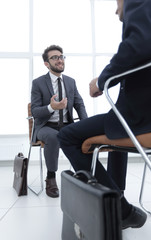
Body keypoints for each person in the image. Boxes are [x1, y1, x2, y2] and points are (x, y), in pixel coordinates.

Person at [58, 0, 151, 229]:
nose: (116, 10)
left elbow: (140, 44)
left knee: (67, 136)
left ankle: (119, 208)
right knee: (113, 120)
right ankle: (118, 193)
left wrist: (102, 80)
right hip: (145, 111)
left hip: (144, 116)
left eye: (116, 2)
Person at [31, 45, 88, 198]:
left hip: (67, 125)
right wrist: (51, 107)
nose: (59, 60)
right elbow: (34, 111)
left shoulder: (70, 81)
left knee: (84, 136)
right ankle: (51, 177)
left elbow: (79, 104)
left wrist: (86, 125)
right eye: (54, 57)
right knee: (53, 137)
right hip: (46, 126)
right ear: (46, 63)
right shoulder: (38, 83)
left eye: (61, 56)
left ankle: (84, 175)